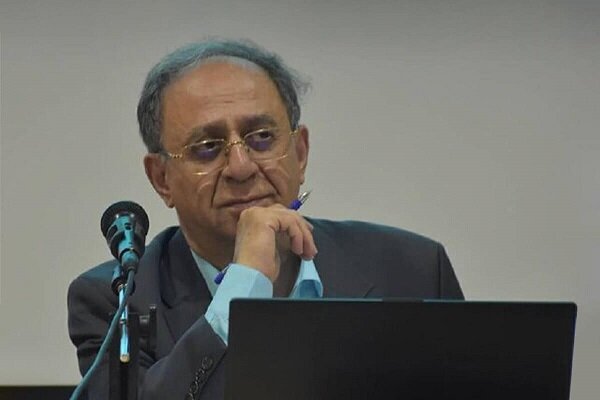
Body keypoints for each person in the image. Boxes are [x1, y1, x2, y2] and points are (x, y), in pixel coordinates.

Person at [68, 39, 463, 400]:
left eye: (261, 137)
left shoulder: (412, 270)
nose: (241, 167)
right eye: (207, 147)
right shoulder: (116, 300)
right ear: (161, 179)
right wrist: (244, 284)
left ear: (300, 153)